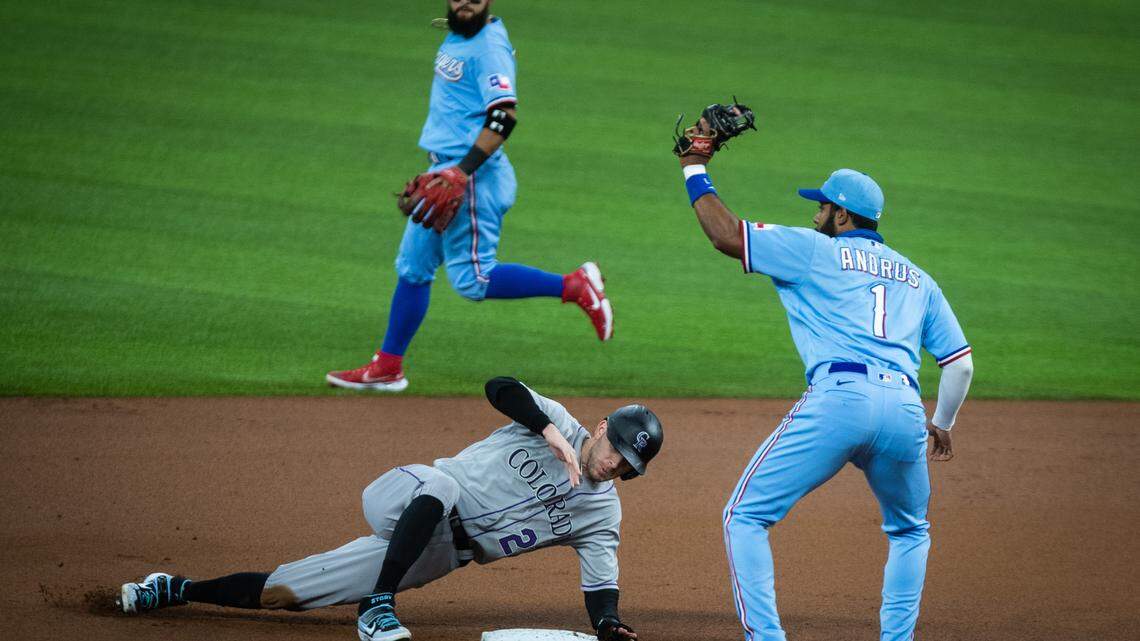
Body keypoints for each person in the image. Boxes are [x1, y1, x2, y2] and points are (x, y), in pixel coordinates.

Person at [673, 116, 974, 641]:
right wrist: (941, 423)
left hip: (840, 401)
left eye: (822, 207)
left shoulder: (816, 251)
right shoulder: (919, 277)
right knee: (910, 531)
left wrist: (694, 165)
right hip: (905, 409)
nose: (815, 215)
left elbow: (725, 234)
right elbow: (960, 363)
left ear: (842, 215)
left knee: (744, 517)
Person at [117, 377, 661, 641]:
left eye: (626, 467)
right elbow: (500, 387)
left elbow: (600, 590)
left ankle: (175, 587)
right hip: (410, 491)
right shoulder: (557, 422)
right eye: (614, 449)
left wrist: (610, 626)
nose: (614, 465)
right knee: (443, 489)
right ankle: (379, 605)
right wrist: (548, 432)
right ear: (599, 428)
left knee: (285, 592)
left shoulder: (601, 516)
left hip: (439, 552)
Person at [326, 0, 612, 393]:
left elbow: (503, 116)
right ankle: (388, 366)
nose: (465, 3)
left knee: (473, 280)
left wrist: (461, 171)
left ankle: (576, 285)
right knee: (413, 268)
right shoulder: (461, 32)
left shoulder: (487, 46)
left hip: (469, 178)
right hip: (442, 172)